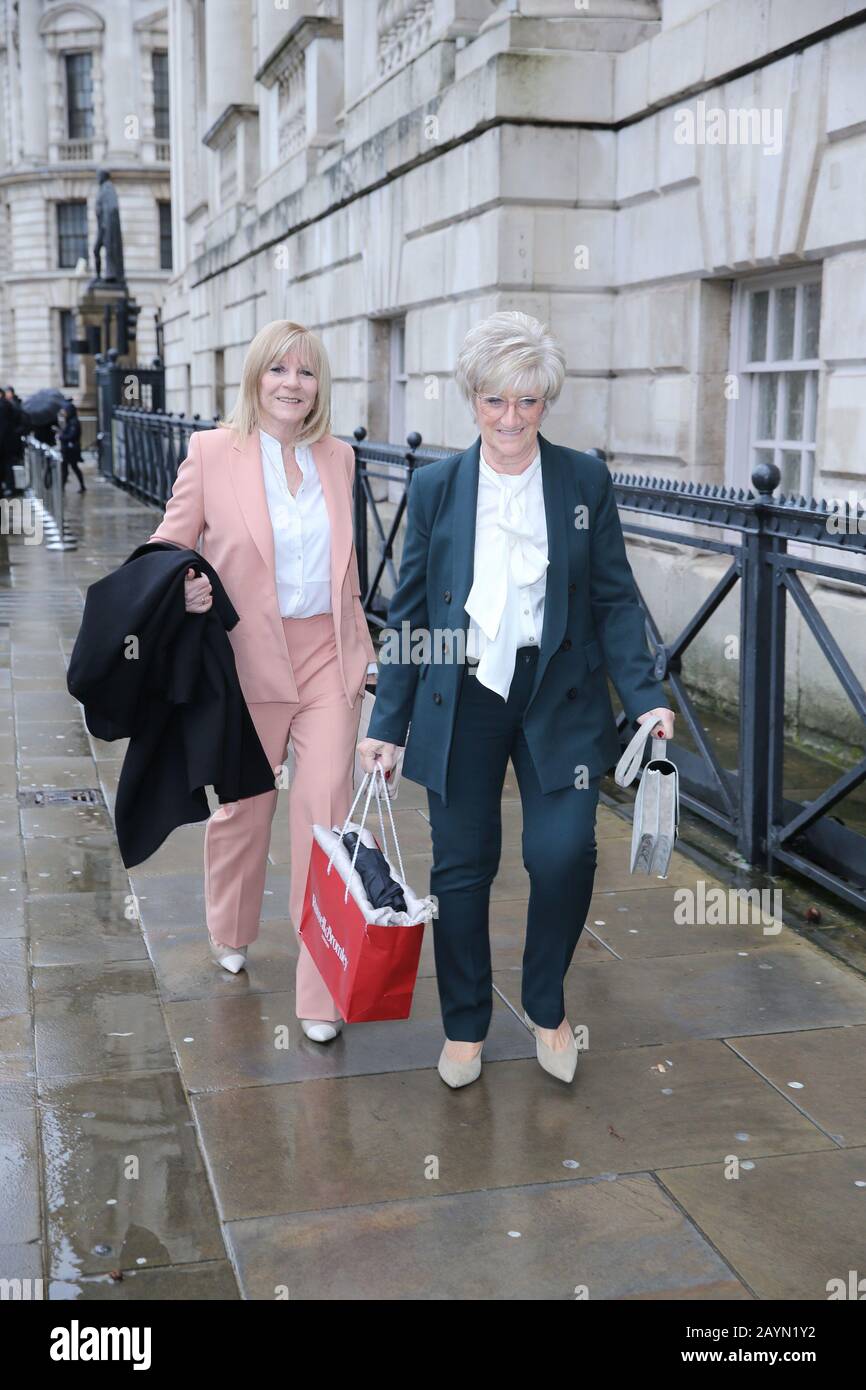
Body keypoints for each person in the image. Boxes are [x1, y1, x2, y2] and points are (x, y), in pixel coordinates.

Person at [358, 311, 676, 1088]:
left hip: (559, 693)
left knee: (563, 853)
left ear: (546, 403)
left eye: (527, 402)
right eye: (495, 401)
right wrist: (386, 723)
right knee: (464, 865)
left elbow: (613, 599)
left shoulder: (583, 482)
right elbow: (410, 615)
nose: (511, 419)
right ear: (472, 399)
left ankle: (545, 1006)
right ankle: (465, 1025)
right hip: (459, 699)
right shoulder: (436, 488)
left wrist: (645, 696)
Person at [148, 320, 378, 1042]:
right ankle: (232, 926)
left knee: (326, 813)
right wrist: (183, 584)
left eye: (306, 372)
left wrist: (364, 651)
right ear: (256, 378)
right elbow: (168, 544)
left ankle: (321, 988)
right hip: (244, 659)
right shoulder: (213, 452)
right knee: (244, 811)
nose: (292, 383)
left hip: (325, 658)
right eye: (279, 369)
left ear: (320, 386)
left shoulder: (339, 457)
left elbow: (350, 572)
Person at [58, 400, 86, 492]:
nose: (64, 413)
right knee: (67, 468)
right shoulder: (70, 421)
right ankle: (62, 486)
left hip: (71, 449)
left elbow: (72, 436)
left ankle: (80, 486)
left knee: (72, 467)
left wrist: (61, 436)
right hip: (69, 449)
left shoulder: (74, 422)